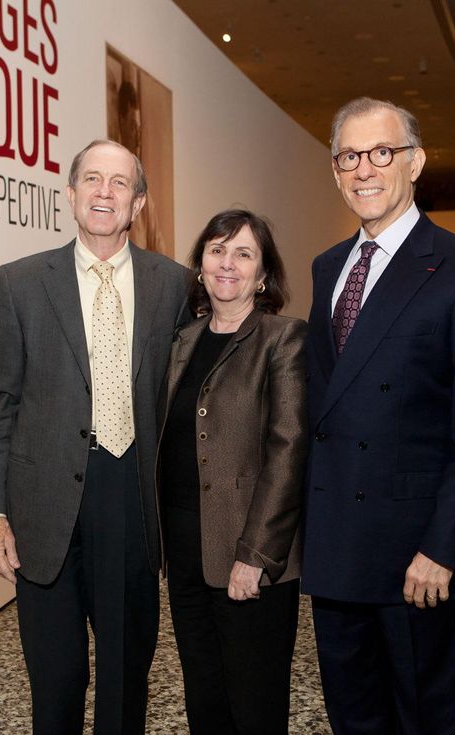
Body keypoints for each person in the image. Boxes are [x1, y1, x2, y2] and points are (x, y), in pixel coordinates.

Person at [302, 97, 455, 735]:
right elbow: (325, 409)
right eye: (349, 157)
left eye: (382, 152)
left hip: (417, 561)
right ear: (336, 171)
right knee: (354, 719)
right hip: (338, 552)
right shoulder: (327, 267)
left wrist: (444, 549)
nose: (364, 169)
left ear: (416, 162)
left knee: (427, 720)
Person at [0, 139, 188, 735]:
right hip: (44, 507)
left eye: (119, 183)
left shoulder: (174, 285)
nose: (104, 192)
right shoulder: (20, 283)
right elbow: (1, 403)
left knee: (125, 678)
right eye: (92, 179)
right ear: (70, 194)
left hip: (130, 499)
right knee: (56, 677)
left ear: (138, 202)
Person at [156, 209, 307, 734]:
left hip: (249, 553)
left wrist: (256, 555)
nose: (228, 263)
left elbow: (288, 450)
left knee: (255, 701)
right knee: (203, 692)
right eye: (217, 250)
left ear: (263, 275)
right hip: (186, 550)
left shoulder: (283, 339)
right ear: (199, 264)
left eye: (244, 253)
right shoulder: (182, 342)